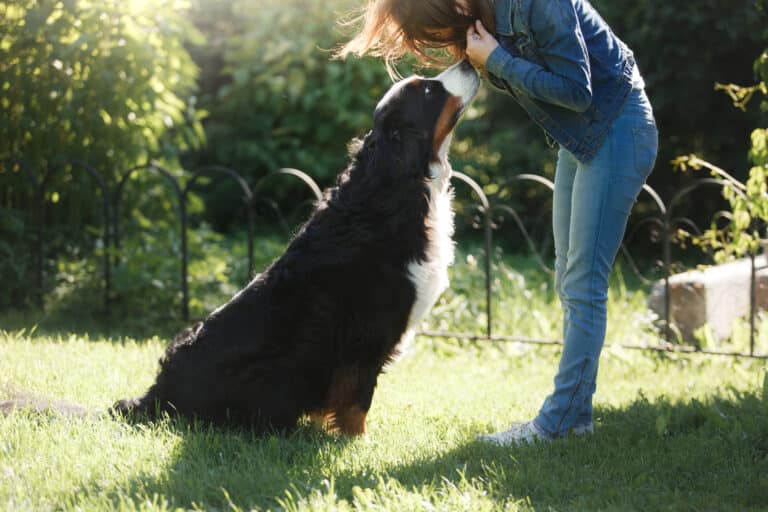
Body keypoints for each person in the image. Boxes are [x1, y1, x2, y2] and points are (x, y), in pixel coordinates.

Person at [338, 0, 658, 445]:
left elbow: (577, 91)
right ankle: (574, 417)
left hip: (618, 130)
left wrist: (498, 60)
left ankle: (561, 422)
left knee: (584, 283)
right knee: (571, 280)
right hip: (583, 139)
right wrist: (489, 59)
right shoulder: (486, 16)